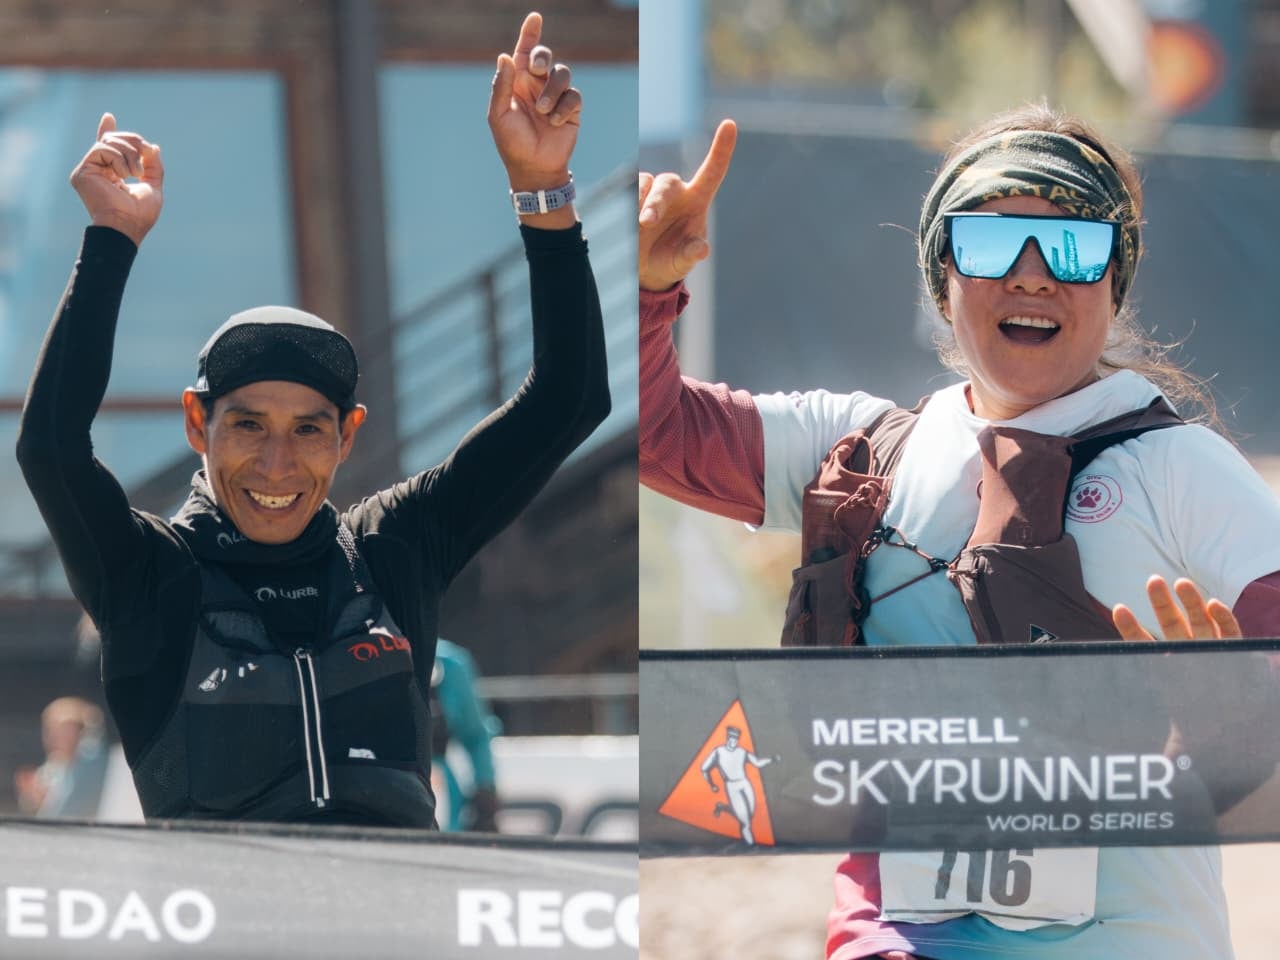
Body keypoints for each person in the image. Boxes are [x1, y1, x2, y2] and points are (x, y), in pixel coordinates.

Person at [638, 105, 1280, 958]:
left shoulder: (1181, 469)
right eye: (988, 243)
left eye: (1074, 248)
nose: (1032, 275)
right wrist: (648, 291)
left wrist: (1229, 727)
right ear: (942, 277)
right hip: (896, 940)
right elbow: (658, 430)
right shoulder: (866, 449)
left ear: (1114, 284)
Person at [17, 11, 609, 829]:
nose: (276, 463)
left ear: (348, 436)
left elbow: (569, 400)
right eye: (248, 425)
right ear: (198, 425)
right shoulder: (150, 578)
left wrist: (543, 193)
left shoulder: (393, 549)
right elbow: (50, 447)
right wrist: (110, 239)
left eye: (307, 430)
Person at [429, 637, 502, 832]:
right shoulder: (355, 649)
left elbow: (475, 734)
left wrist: (485, 787)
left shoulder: (448, 662)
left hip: (437, 788)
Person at [13, 696, 110, 819]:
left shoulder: (93, 764)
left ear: (81, 732)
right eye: (49, 730)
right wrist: (35, 799)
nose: (54, 738)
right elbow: (34, 809)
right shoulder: (52, 768)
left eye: (64, 731)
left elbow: (73, 810)